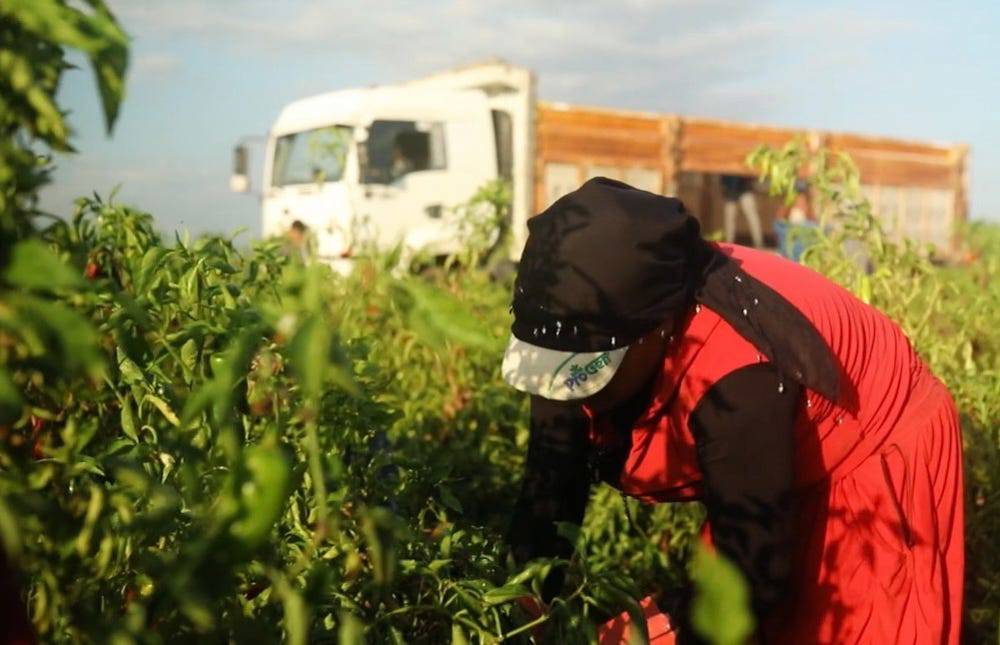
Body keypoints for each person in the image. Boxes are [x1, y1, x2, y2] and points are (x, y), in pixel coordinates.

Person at [501, 177, 964, 644]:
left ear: (657, 327)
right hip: (765, 456)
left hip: (871, 442)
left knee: (842, 626)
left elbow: (752, 574)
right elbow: (548, 490)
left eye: (586, 373)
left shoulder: (736, 378)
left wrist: (652, 627)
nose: (569, 392)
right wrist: (518, 619)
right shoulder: (569, 329)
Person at [720, 174, 763, 248]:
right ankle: (729, 243)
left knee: (752, 216)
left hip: (744, 188)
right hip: (730, 190)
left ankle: (759, 243)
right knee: (730, 218)